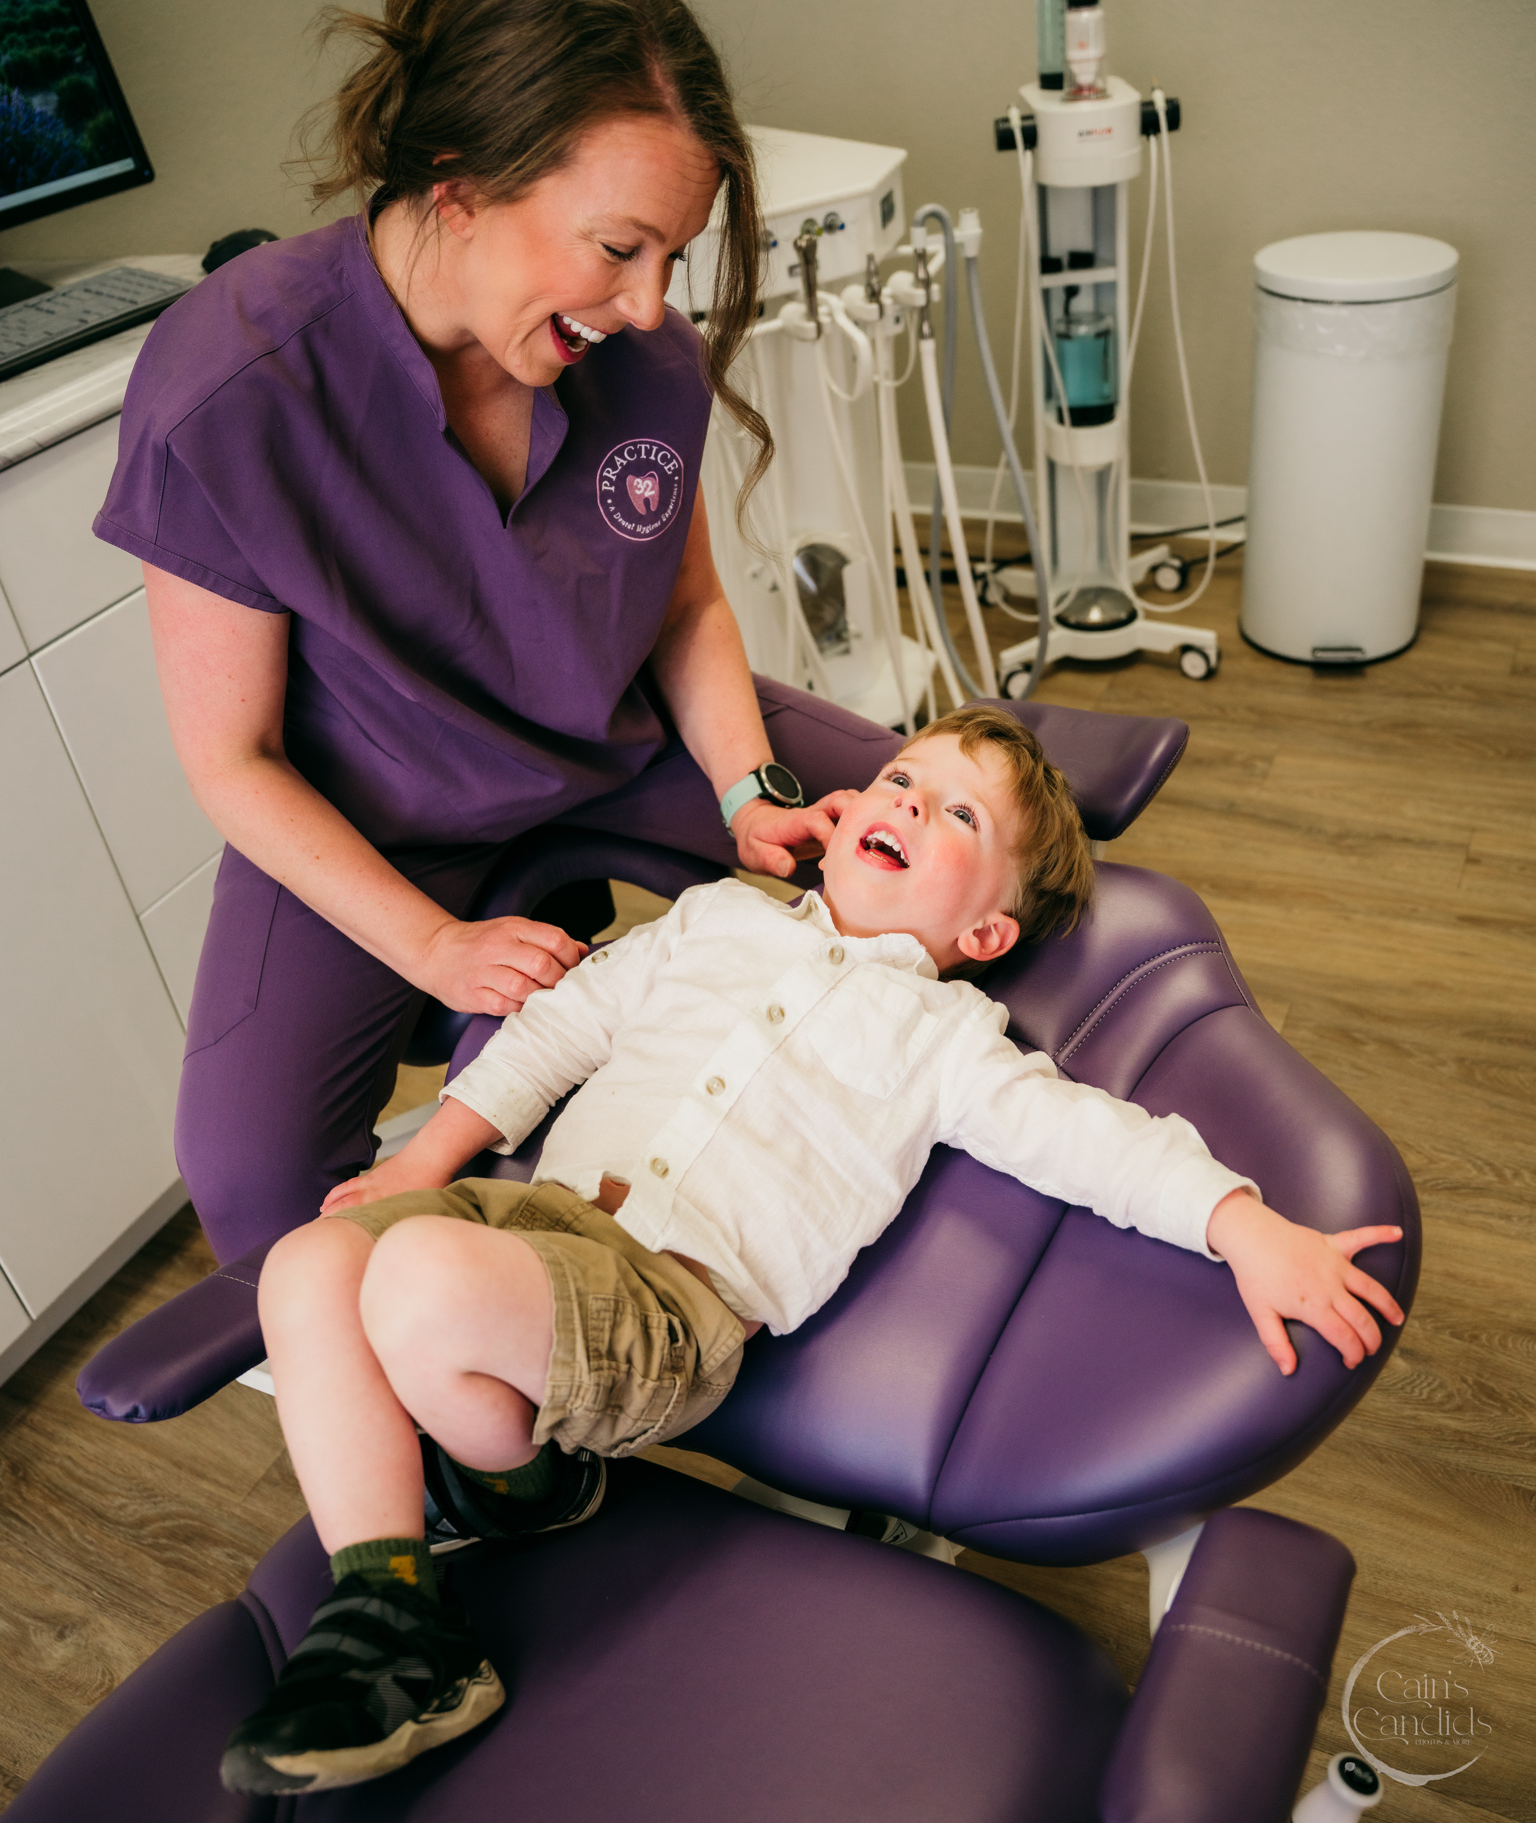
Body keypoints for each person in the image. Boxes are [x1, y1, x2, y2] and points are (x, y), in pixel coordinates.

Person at [220, 708, 1405, 1796]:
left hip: (665, 1312)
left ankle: (511, 1482)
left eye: (957, 815)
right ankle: (389, 1610)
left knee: (416, 1286)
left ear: (985, 929)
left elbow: (1095, 1143)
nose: (902, 803)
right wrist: (431, 1162)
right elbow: (559, 1032)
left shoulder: (948, 1038)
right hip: (523, 1240)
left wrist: (1245, 1225)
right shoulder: (714, 919)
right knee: (305, 1268)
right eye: (900, 779)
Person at [93, 0, 903, 1266]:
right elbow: (231, 761)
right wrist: (434, 949)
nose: (651, 307)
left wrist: (749, 788)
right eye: (620, 249)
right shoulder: (229, 392)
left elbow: (689, 609)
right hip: (382, 813)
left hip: (622, 749)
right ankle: (466, 1429)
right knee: (249, 1179)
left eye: (673, 260)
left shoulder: (638, 363)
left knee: (952, 853)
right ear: (458, 188)